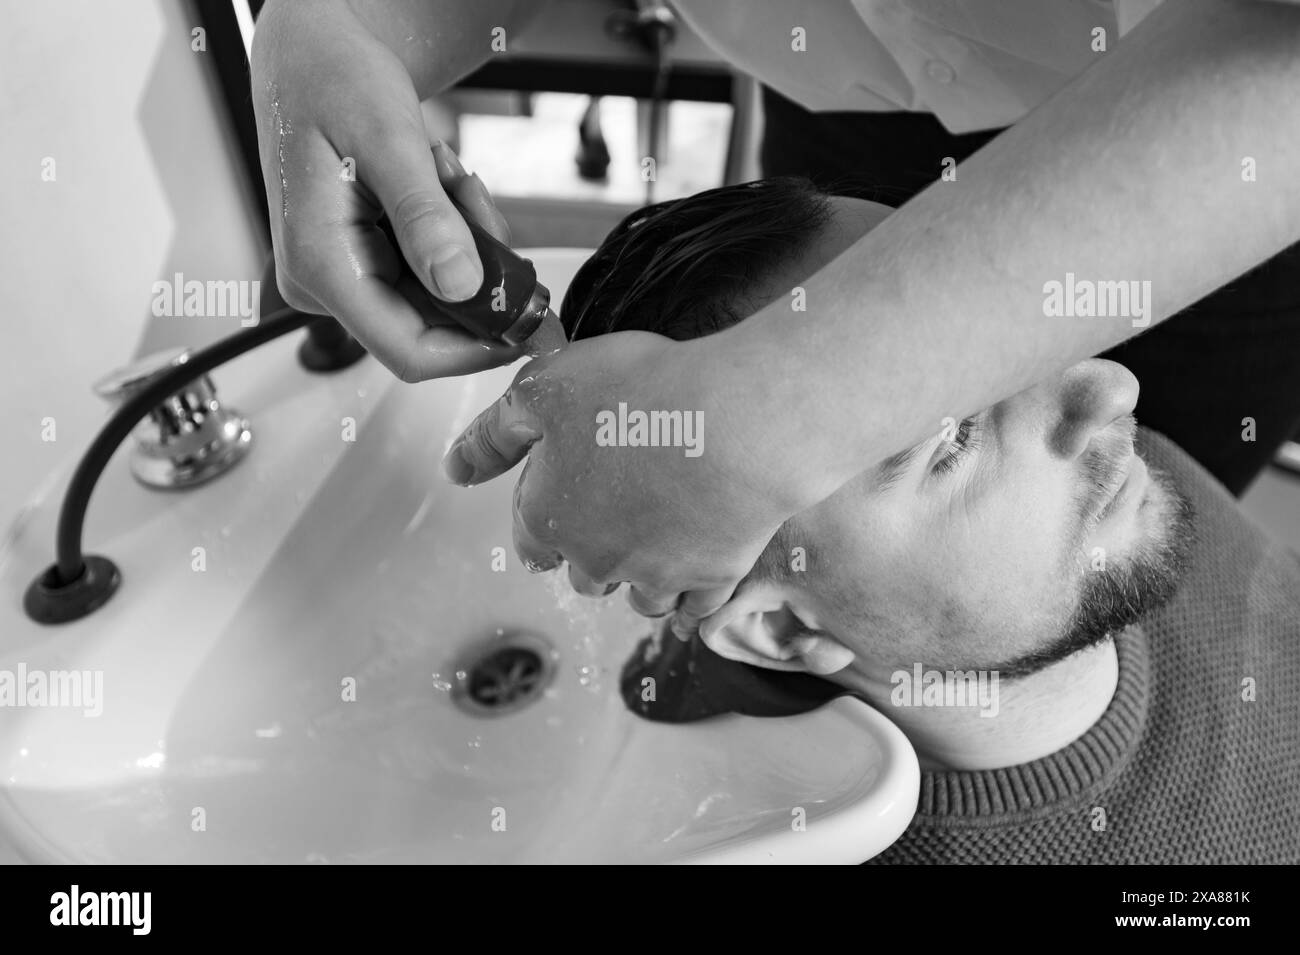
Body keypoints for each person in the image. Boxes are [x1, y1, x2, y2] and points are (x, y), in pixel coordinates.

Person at [250, 0, 1300, 638]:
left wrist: (806, 399)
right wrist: (341, 26)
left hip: (1207, 151)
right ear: (771, 631)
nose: (1108, 381)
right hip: (850, 103)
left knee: (1132, 548)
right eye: (940, 437)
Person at [563, 178, 1300, 863]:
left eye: (1008, 335)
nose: (1109, 390)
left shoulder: (1132, 492)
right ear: (786, 630)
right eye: (951, 439)